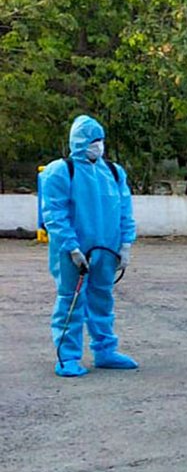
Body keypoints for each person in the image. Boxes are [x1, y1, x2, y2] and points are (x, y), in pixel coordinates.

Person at [38, 115, 138, 376]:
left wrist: (126, 244)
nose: (98, 145)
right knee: (70, 301)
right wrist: (71, 247)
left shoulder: (114, 172)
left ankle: (105, 350)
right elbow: (55, 214)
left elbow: (125, 210)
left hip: (107, 249)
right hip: (73, 252)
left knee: (102, 299)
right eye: (93, 140)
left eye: (100, 140)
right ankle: (67, 357)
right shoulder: (60, 171)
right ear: (79, 140)